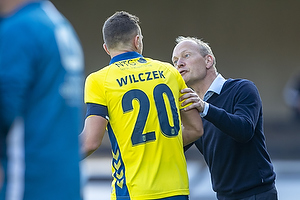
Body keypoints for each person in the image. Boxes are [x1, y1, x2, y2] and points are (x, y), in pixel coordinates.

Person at [80, 11, 203, 200]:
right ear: (137, 41)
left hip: (133, 191)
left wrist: (57, 162)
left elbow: (90, 141)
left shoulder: (98, 80)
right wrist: (160, 146)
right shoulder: (169, 72)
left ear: (106, 48)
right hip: (176, 189)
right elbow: (195, 129)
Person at [172, 36, 278, 200]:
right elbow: (174, 146)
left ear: (208, 61)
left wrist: (205, 108)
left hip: (257, 194)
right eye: (175, 60)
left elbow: (244, 130)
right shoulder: (191, 108)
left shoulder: (242, 88)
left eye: (186, 55)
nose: (179, 63)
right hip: (223, 196)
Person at [0, 0, 84, 199]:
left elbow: (5, 109)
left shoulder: (19, 29)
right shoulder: (56, 23)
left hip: (28, 185)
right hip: (65, 186)